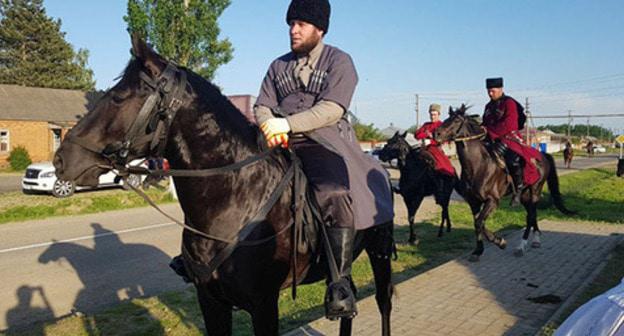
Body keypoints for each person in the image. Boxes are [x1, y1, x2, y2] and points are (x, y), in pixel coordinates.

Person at [254, 0, 394, 320]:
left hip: (323, 140)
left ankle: (340, 284)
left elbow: (333, 108)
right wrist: (268, 124)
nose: (293, 30)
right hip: (278, 139)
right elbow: (263, 104)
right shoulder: (277, 66)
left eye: (301, 24)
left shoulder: (340, 61)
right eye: (291, 23)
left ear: (320, 28)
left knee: (334, 192)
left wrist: (288, 123)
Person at [482, 77, 541, 206]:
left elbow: (509, 124)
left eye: (492, 91)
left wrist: (489, 131)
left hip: (508, 137)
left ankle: (518, 189)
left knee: (512, 160)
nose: (490, 94)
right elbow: (485, 123)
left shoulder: (509, 103)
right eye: (488, 91)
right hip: (491, 137)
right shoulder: (488, 106)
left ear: (500, 89)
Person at [414, 103, 456, 177]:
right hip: (423, 147)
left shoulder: (441, 125)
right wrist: (427, 134)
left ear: (438, 114)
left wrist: (431, 141)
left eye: (434, 115)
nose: (432, 117)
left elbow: (444, 139)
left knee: (441, 162)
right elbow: (417, 135)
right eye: (431, 114)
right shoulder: (426, 125)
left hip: (436, 148)